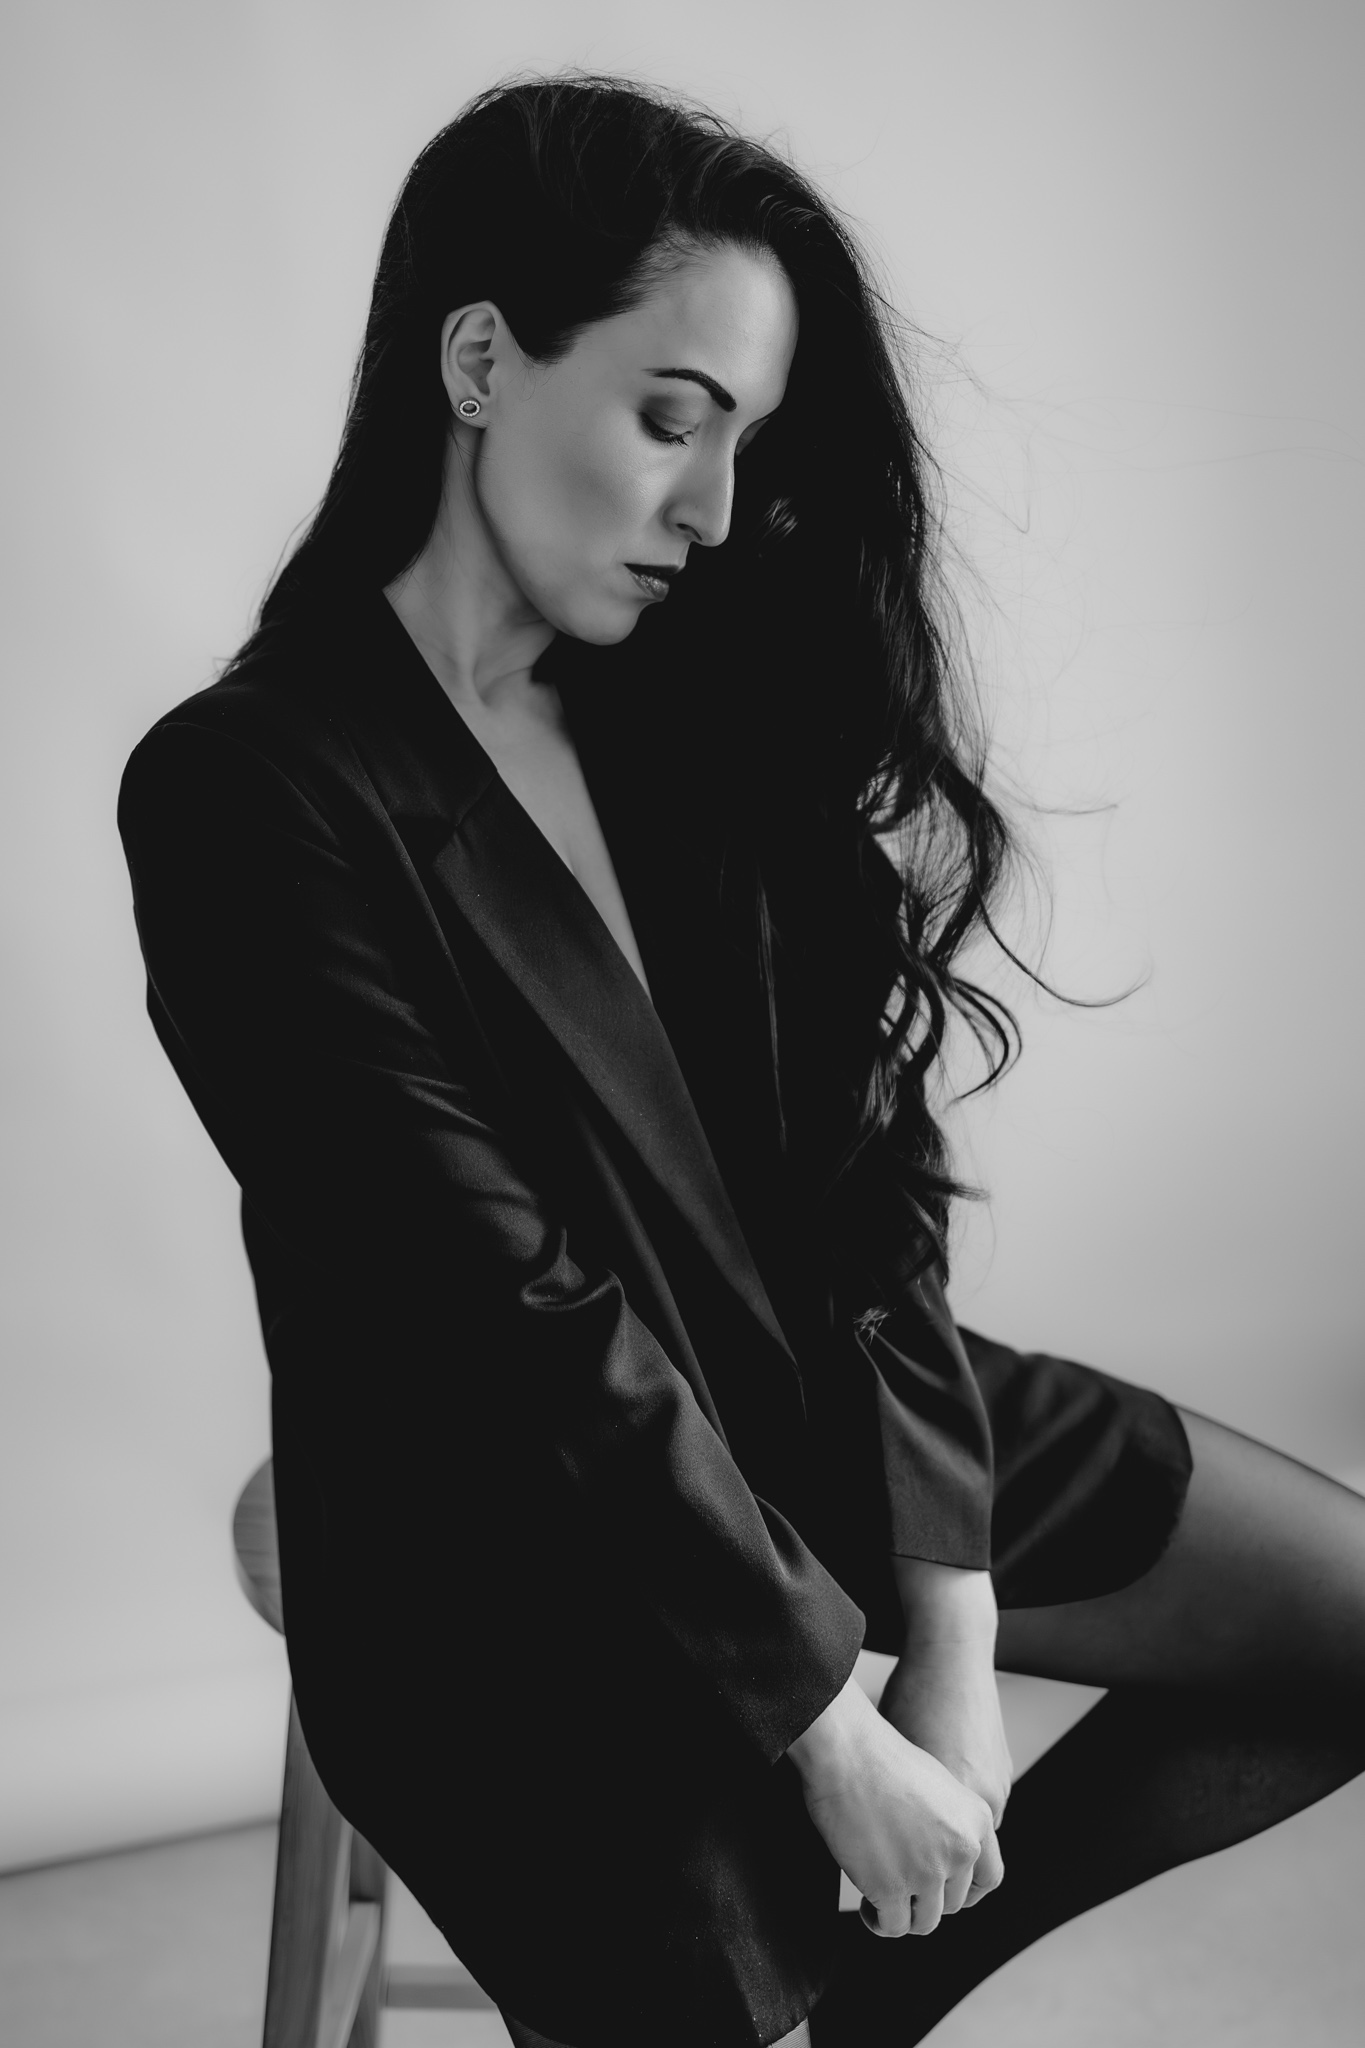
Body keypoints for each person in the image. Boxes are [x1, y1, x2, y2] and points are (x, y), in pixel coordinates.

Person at [117, 75, 1364, 2048]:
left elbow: (865, 1173)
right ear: (477, 362)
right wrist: (821, 1727)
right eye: (668, 417)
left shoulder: (678, 693)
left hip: (818, 1402)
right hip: (512, 1519)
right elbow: (496, 1311)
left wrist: (944, 1625)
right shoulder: (249, 792)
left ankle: (881, 1994)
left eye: (745, 440)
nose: (709, 508)